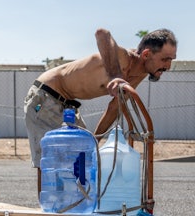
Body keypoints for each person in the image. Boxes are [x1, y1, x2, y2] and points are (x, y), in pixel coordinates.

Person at [24, 28, 177, 195]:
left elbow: (114, 108)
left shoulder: (138, 75)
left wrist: (95, 140)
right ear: (146, 54)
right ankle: (49, 209)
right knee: (51, 158)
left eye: (171, 60)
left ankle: (71, 206)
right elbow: (102, 33)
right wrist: (115, 75)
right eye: (165, 59)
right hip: (45, 95)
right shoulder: (121, 57)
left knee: (83, 156)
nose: (168, 66)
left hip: (68, 105)